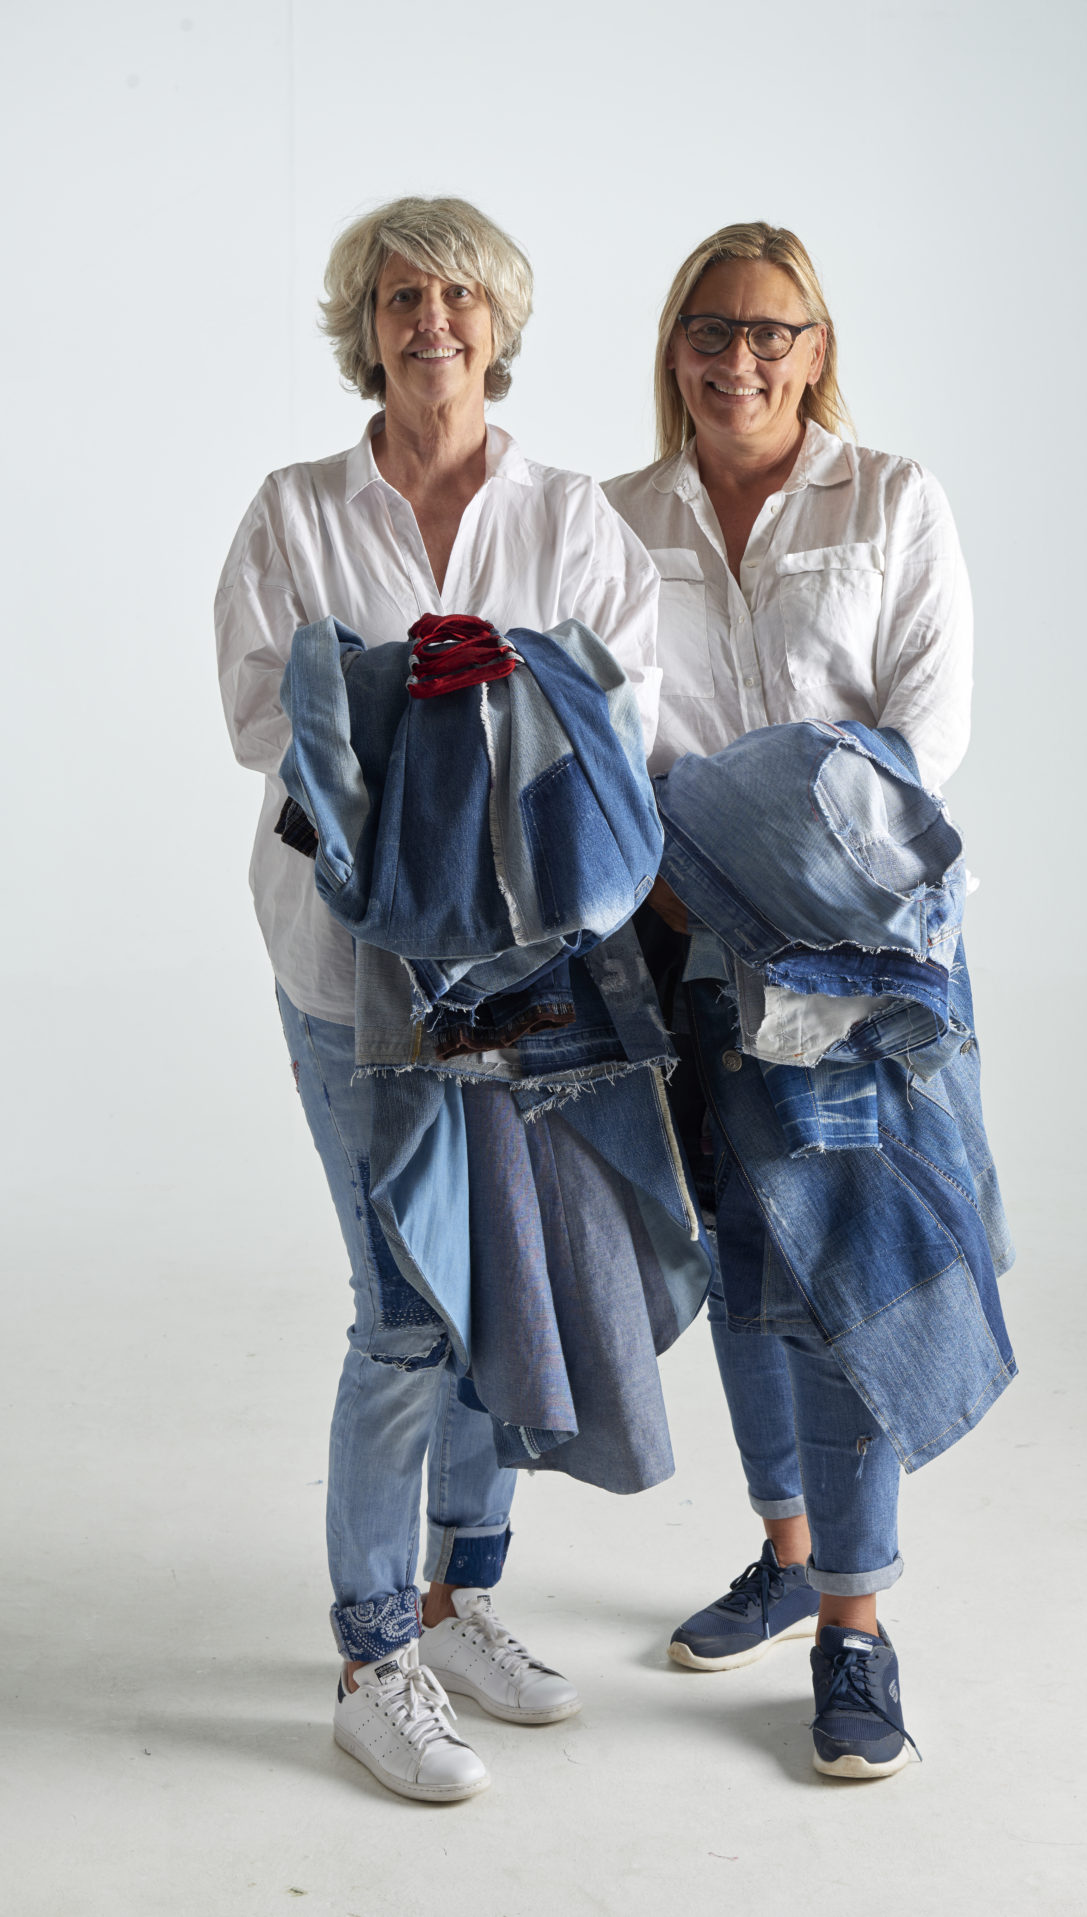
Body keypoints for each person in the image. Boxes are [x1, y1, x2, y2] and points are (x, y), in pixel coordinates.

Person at [215, 196, 660, 1802]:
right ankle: (368, 1652)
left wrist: (492, 676)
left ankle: (463, 1593)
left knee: (502, 1296)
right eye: (403, 297)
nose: (433, 322)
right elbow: (263, 715)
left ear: (498, 322)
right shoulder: (296, 509)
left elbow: (624, 705)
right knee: (405, 1311)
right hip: (350, 974)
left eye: (460, 295)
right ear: (368, 326)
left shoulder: (571, 513)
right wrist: (432, 684)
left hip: (528, 974)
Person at [605, 221, 1009, 1779]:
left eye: (771, 331)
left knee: (854, 1268)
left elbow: (926, 734)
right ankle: (786, 1547)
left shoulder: (892, 498)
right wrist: (689, 868)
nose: (738, 358)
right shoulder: (615, 516)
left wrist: (760, 836)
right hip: (673, 935)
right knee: (736, 1249)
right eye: (709, 329)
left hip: (850, 956)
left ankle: (856, 1623)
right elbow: (601, 736)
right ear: (675, 347)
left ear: (816, 347)